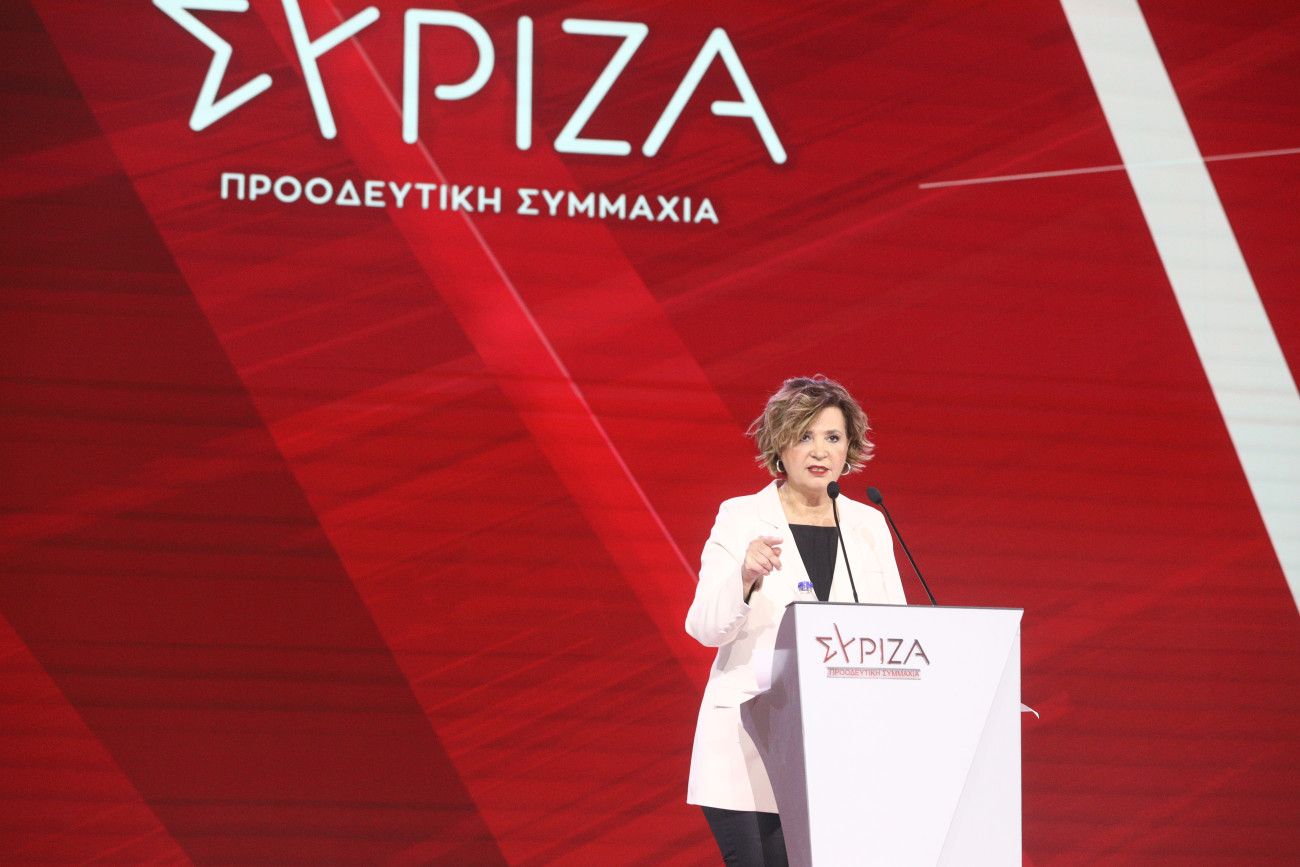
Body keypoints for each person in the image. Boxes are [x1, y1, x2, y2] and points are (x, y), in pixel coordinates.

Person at [685, 375, 907, 866]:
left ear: (849, 447)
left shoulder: (868, 525)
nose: (819, 450)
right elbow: (704, 627)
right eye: (805, 435)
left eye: (833, 437)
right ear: (779, 445)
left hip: (839, 745)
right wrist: (744, 577)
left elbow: (896, 632)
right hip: (749, 744)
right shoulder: (741, 517)